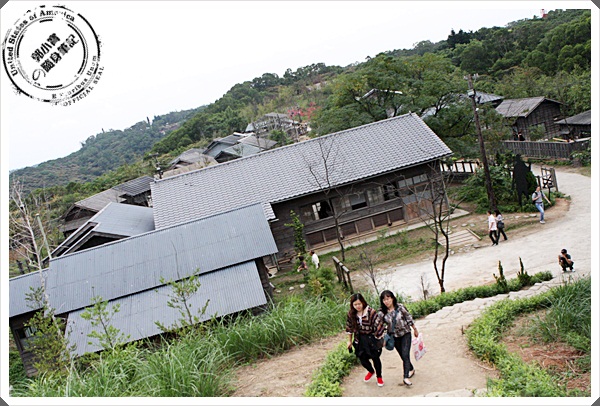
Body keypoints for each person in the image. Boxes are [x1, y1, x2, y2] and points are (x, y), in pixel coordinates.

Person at [379, 290, 418, 386]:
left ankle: (405, 377)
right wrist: (382, 337)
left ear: (392, 298)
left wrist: (414, 329)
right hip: (394, 336)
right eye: (384, 300)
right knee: (403, 355)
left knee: (405, 354)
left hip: (405, 333)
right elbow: (380, 325)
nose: (386, 301)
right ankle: (411, 368)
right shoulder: (382, 312)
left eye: (388, 299)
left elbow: (408, 318)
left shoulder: (400, 307)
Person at [346, 293, 385, 387]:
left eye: (359, 304)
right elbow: (349, 328)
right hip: (359, 338)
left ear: (363, 302)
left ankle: (379, 377)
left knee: (375, 358)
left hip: (371, 337)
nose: (357, 306)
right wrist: (349, 341)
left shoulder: (371, 312)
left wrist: (380, 338)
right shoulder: (351, 314)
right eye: (355, 304)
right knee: (362, 358)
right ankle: (371, 371)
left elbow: (378, 325)